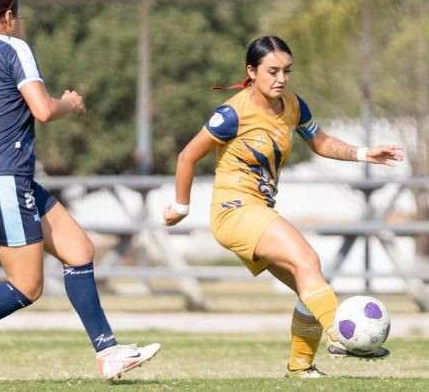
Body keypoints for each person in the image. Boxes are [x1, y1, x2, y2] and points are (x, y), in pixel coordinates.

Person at [0, 0, 160, 385]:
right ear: (9, 16)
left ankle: (109, 352)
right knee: (26, 287)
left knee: (79, 249)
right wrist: (72, 103)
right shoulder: (13, 49)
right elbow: (43, 110)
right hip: (4, 176)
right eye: (19, 15)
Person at [163, 36, 403, 378]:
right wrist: (180, 207)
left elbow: (321, 143)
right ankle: (342, 333)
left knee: (309, 283)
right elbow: (187, 156)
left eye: (287, 71)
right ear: (251, 71)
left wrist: (364, 153)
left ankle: (301, 368)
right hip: (234, 209)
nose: (281, 79)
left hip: (258, 209)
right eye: (272, 71)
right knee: (308, 260)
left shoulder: (293, 105)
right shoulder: (232, 113)